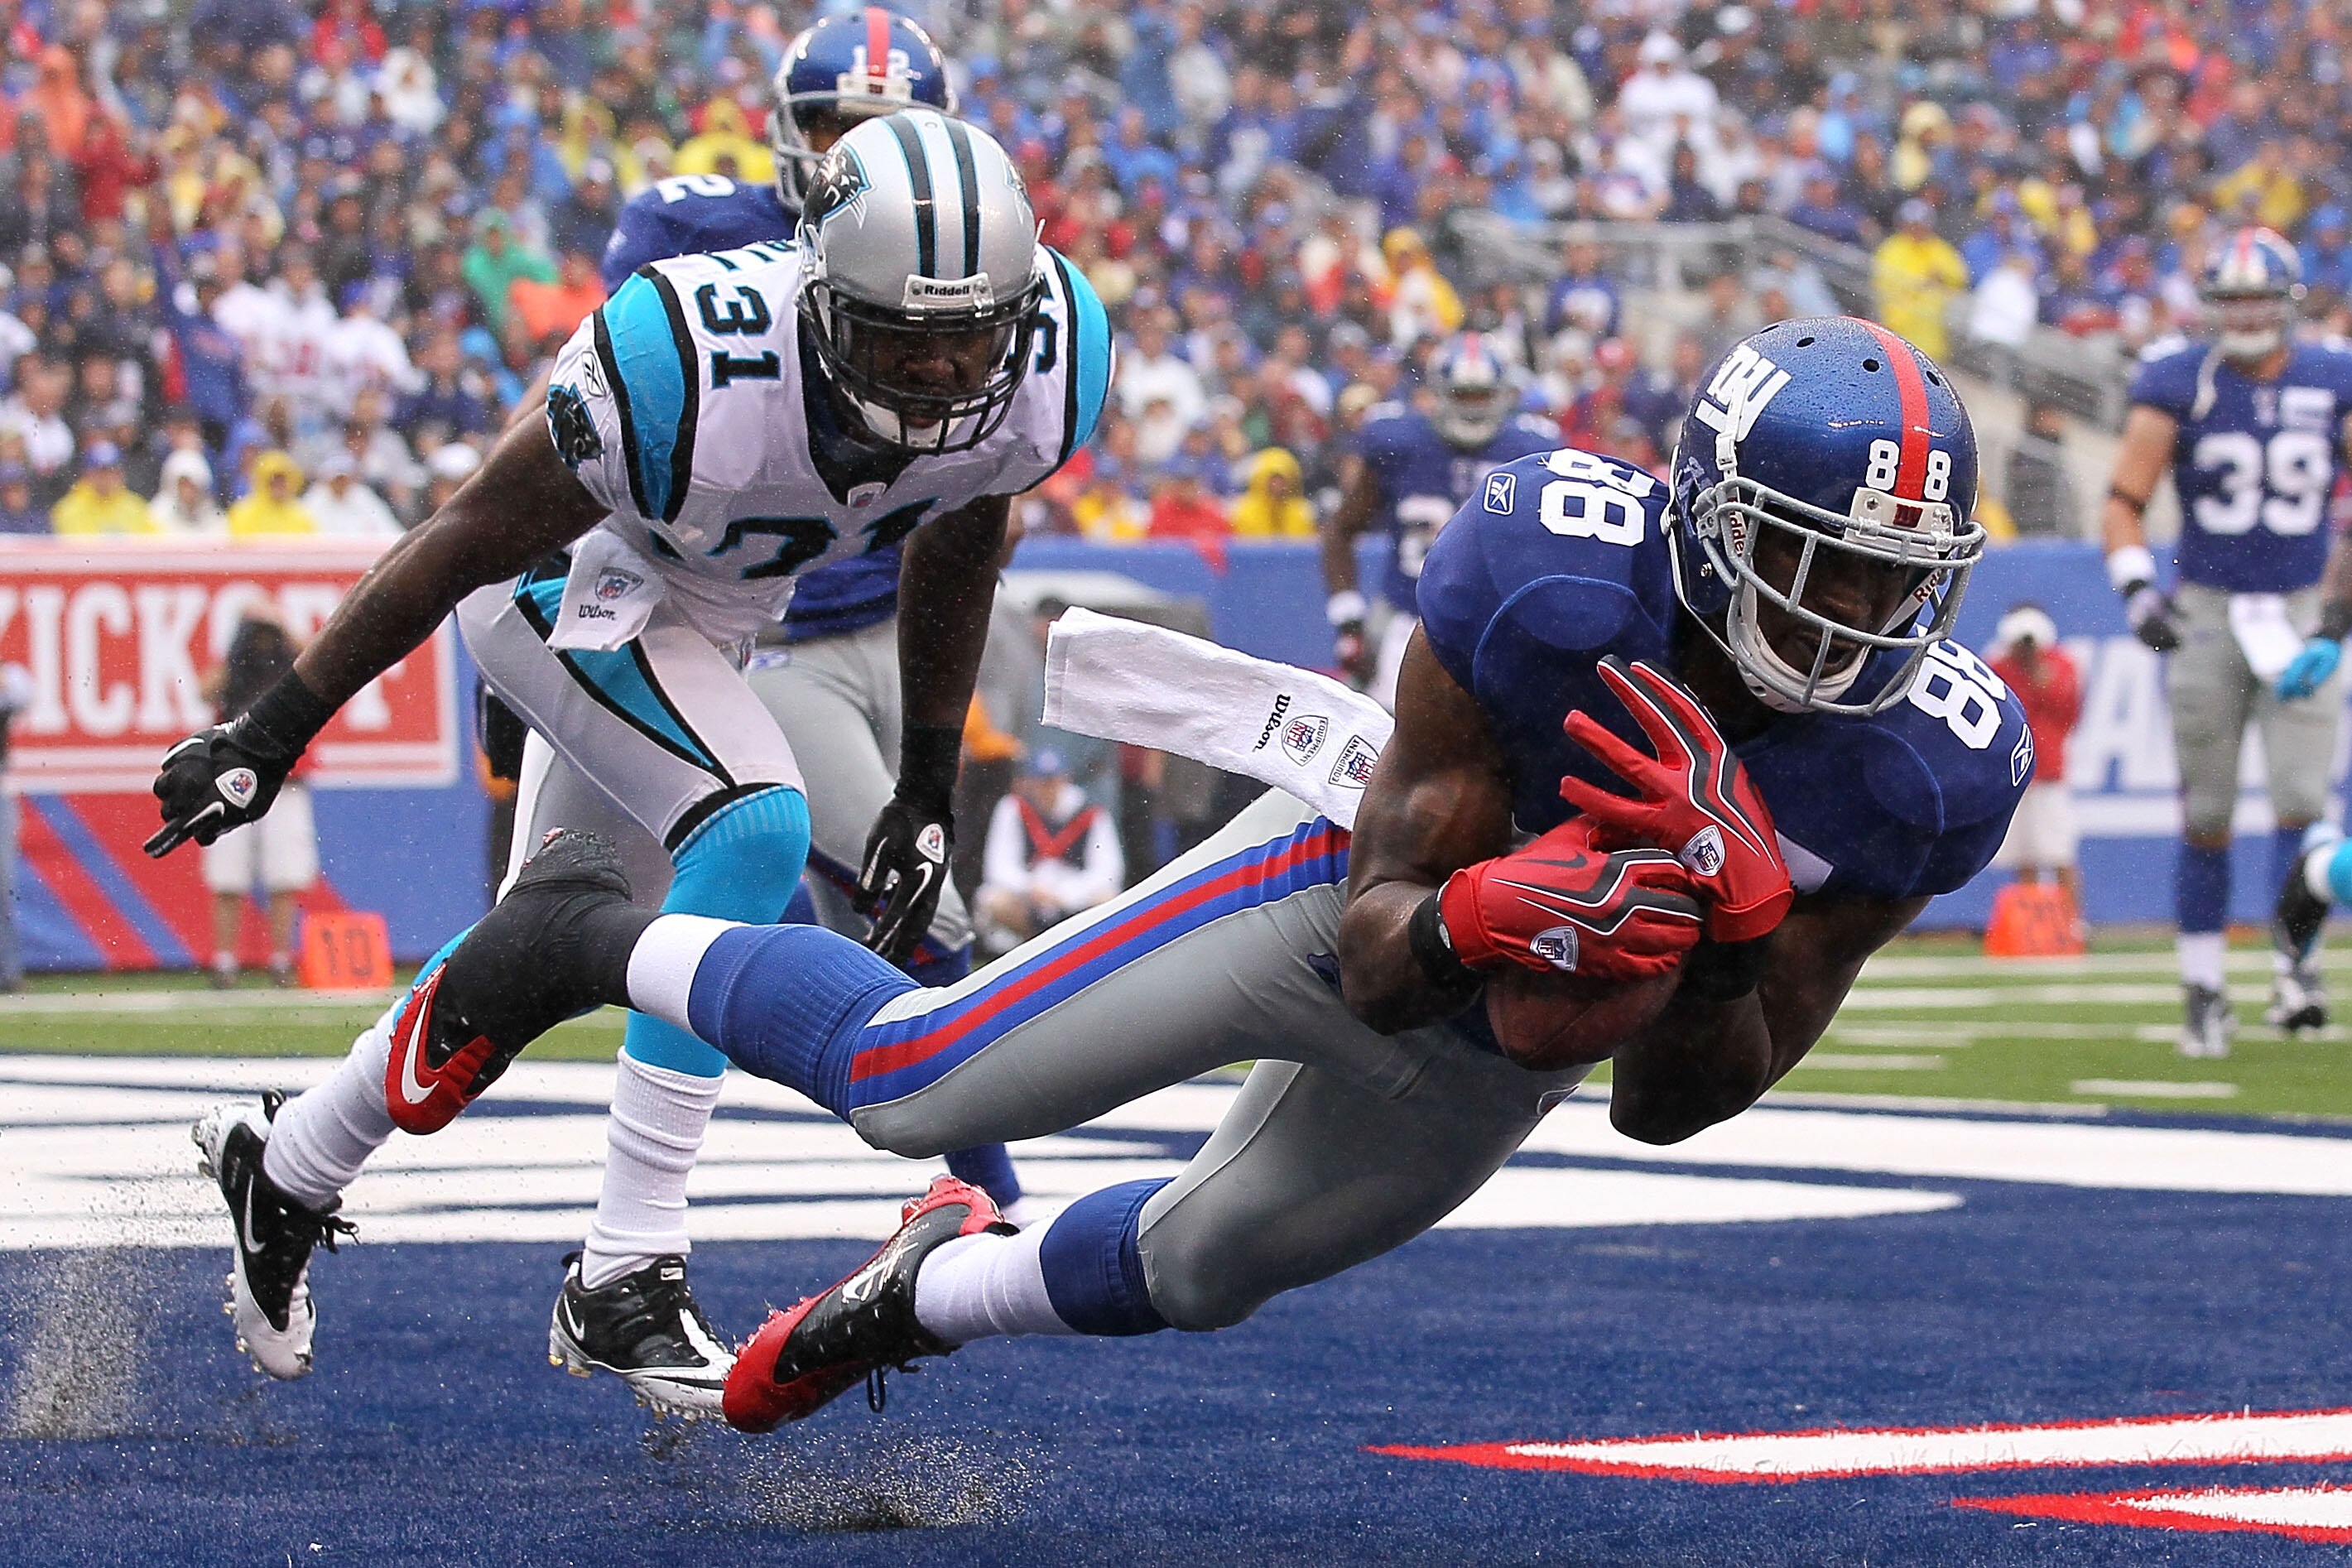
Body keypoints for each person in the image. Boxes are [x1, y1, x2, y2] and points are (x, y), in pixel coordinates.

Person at [392, 317, 2023, 1434]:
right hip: (1335, 898)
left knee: (1197, 1267)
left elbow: (1663, 1108)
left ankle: (909, 1302)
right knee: (914, 1081)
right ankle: (587, 940)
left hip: (1501, 1054)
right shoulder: (1552, 576)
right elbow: (1385, 953)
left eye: (1894, 581)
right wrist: (1481, 904)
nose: (1848, 622)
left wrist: (1734, 951)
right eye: (1814, 563)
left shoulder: (1923, 767)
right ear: (1708, 518)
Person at [166, 109, 1110, 1416]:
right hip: (567, 586)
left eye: (972, 337)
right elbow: (468, 534)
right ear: (827, 304)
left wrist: (925, 787)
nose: (947, 375)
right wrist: (270, 729)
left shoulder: (1050, 357)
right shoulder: (690, 359)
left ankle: (289, 1164)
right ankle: (625, 1268)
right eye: (906, 339)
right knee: (757, 830)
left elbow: (961, 536)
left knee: (529, 956)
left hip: (711, 614)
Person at [619, 10, 1029, 1229]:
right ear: (790, 135)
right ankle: (987, 1195)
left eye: (889, 125)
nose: (858, 145)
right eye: (836, 125)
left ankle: (796, 959)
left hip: (903, 623)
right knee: (922, 910)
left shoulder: (973, 247)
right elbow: (602, 430)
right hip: (771, 627)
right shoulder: (701, 238)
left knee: (884, 892)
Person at [2101, 228, 2352, 1053]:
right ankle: (2204, 987)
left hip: (2302, 609)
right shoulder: (2179, 379)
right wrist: (2139, 589)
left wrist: (2340, 612)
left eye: (2258, 297)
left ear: (2288, 301)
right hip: (2209, 609)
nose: (2245, 312)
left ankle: (2294, 969)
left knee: (2302, 804)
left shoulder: (2332, 375)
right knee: (2205, 814)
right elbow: (2123, 498)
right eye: (2232, 297)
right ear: (2213, 305)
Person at [1320, 332, 1559, 708]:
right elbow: (1340, 529)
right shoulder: (1396, 443)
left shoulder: (1532, 450)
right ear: (1440, 391)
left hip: (1497, 627)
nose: (1473, 408)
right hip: (1408, 620)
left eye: (1481, 395)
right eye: (1464, 395)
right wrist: (1349, 618)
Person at [200, 607, 319, 988]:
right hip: (232, 781)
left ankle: (281, 958)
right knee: (228, 876)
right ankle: (225, 961)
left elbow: (316, 657)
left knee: (284, 875)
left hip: (284, 781)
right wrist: (238, 647)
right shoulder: (237, 668)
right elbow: (206, 689)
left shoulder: (292, 665)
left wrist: (280, 623)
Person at [974, 748, 1123, 957]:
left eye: (1052, 781)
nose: (1046, 789)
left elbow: (1108, 871)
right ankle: (1026, 950)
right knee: (993, 900)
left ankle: (1082, 953)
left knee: (1108, 899)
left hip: (1074, 895)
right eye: (1040, 782)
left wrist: (1067, 895)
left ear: (1065, 779)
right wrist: (1030, 888)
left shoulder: (1091, 812)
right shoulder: (1013, 807)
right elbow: (998, 867)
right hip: (1031, 895)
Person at [1986, 604, 2085, 918]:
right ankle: (2033, 925)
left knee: (2059, 853)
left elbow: (2067, 710)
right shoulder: (1998, 665)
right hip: (2014, 774)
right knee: (2023, 855)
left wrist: (2038, 669)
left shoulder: (2061, 664)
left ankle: (2071, 924)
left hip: (2049, 773)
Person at [49, 442, 155, 535]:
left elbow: (155, 539)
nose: (108, 478)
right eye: (101, 472)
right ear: (88, 474)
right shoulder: (69, 509)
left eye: (113, 472)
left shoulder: (135, 505)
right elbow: (79, 549)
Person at [301, 452, 401, 538]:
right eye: (337, 479)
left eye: (344, 479)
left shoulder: (364, 496)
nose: (341, 483)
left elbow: (390, 530)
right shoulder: (314, 500)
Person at [225, 452, 318, 537]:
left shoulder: (301, 514)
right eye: (273, 481)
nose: (278, 486)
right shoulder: (243, 512)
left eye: (282, 481)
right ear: (262, 481)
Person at [149, 449, 227, 536]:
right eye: (183, 485)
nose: (187, 491)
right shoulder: (158, 513)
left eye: (192, 485)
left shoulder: (213, 516)